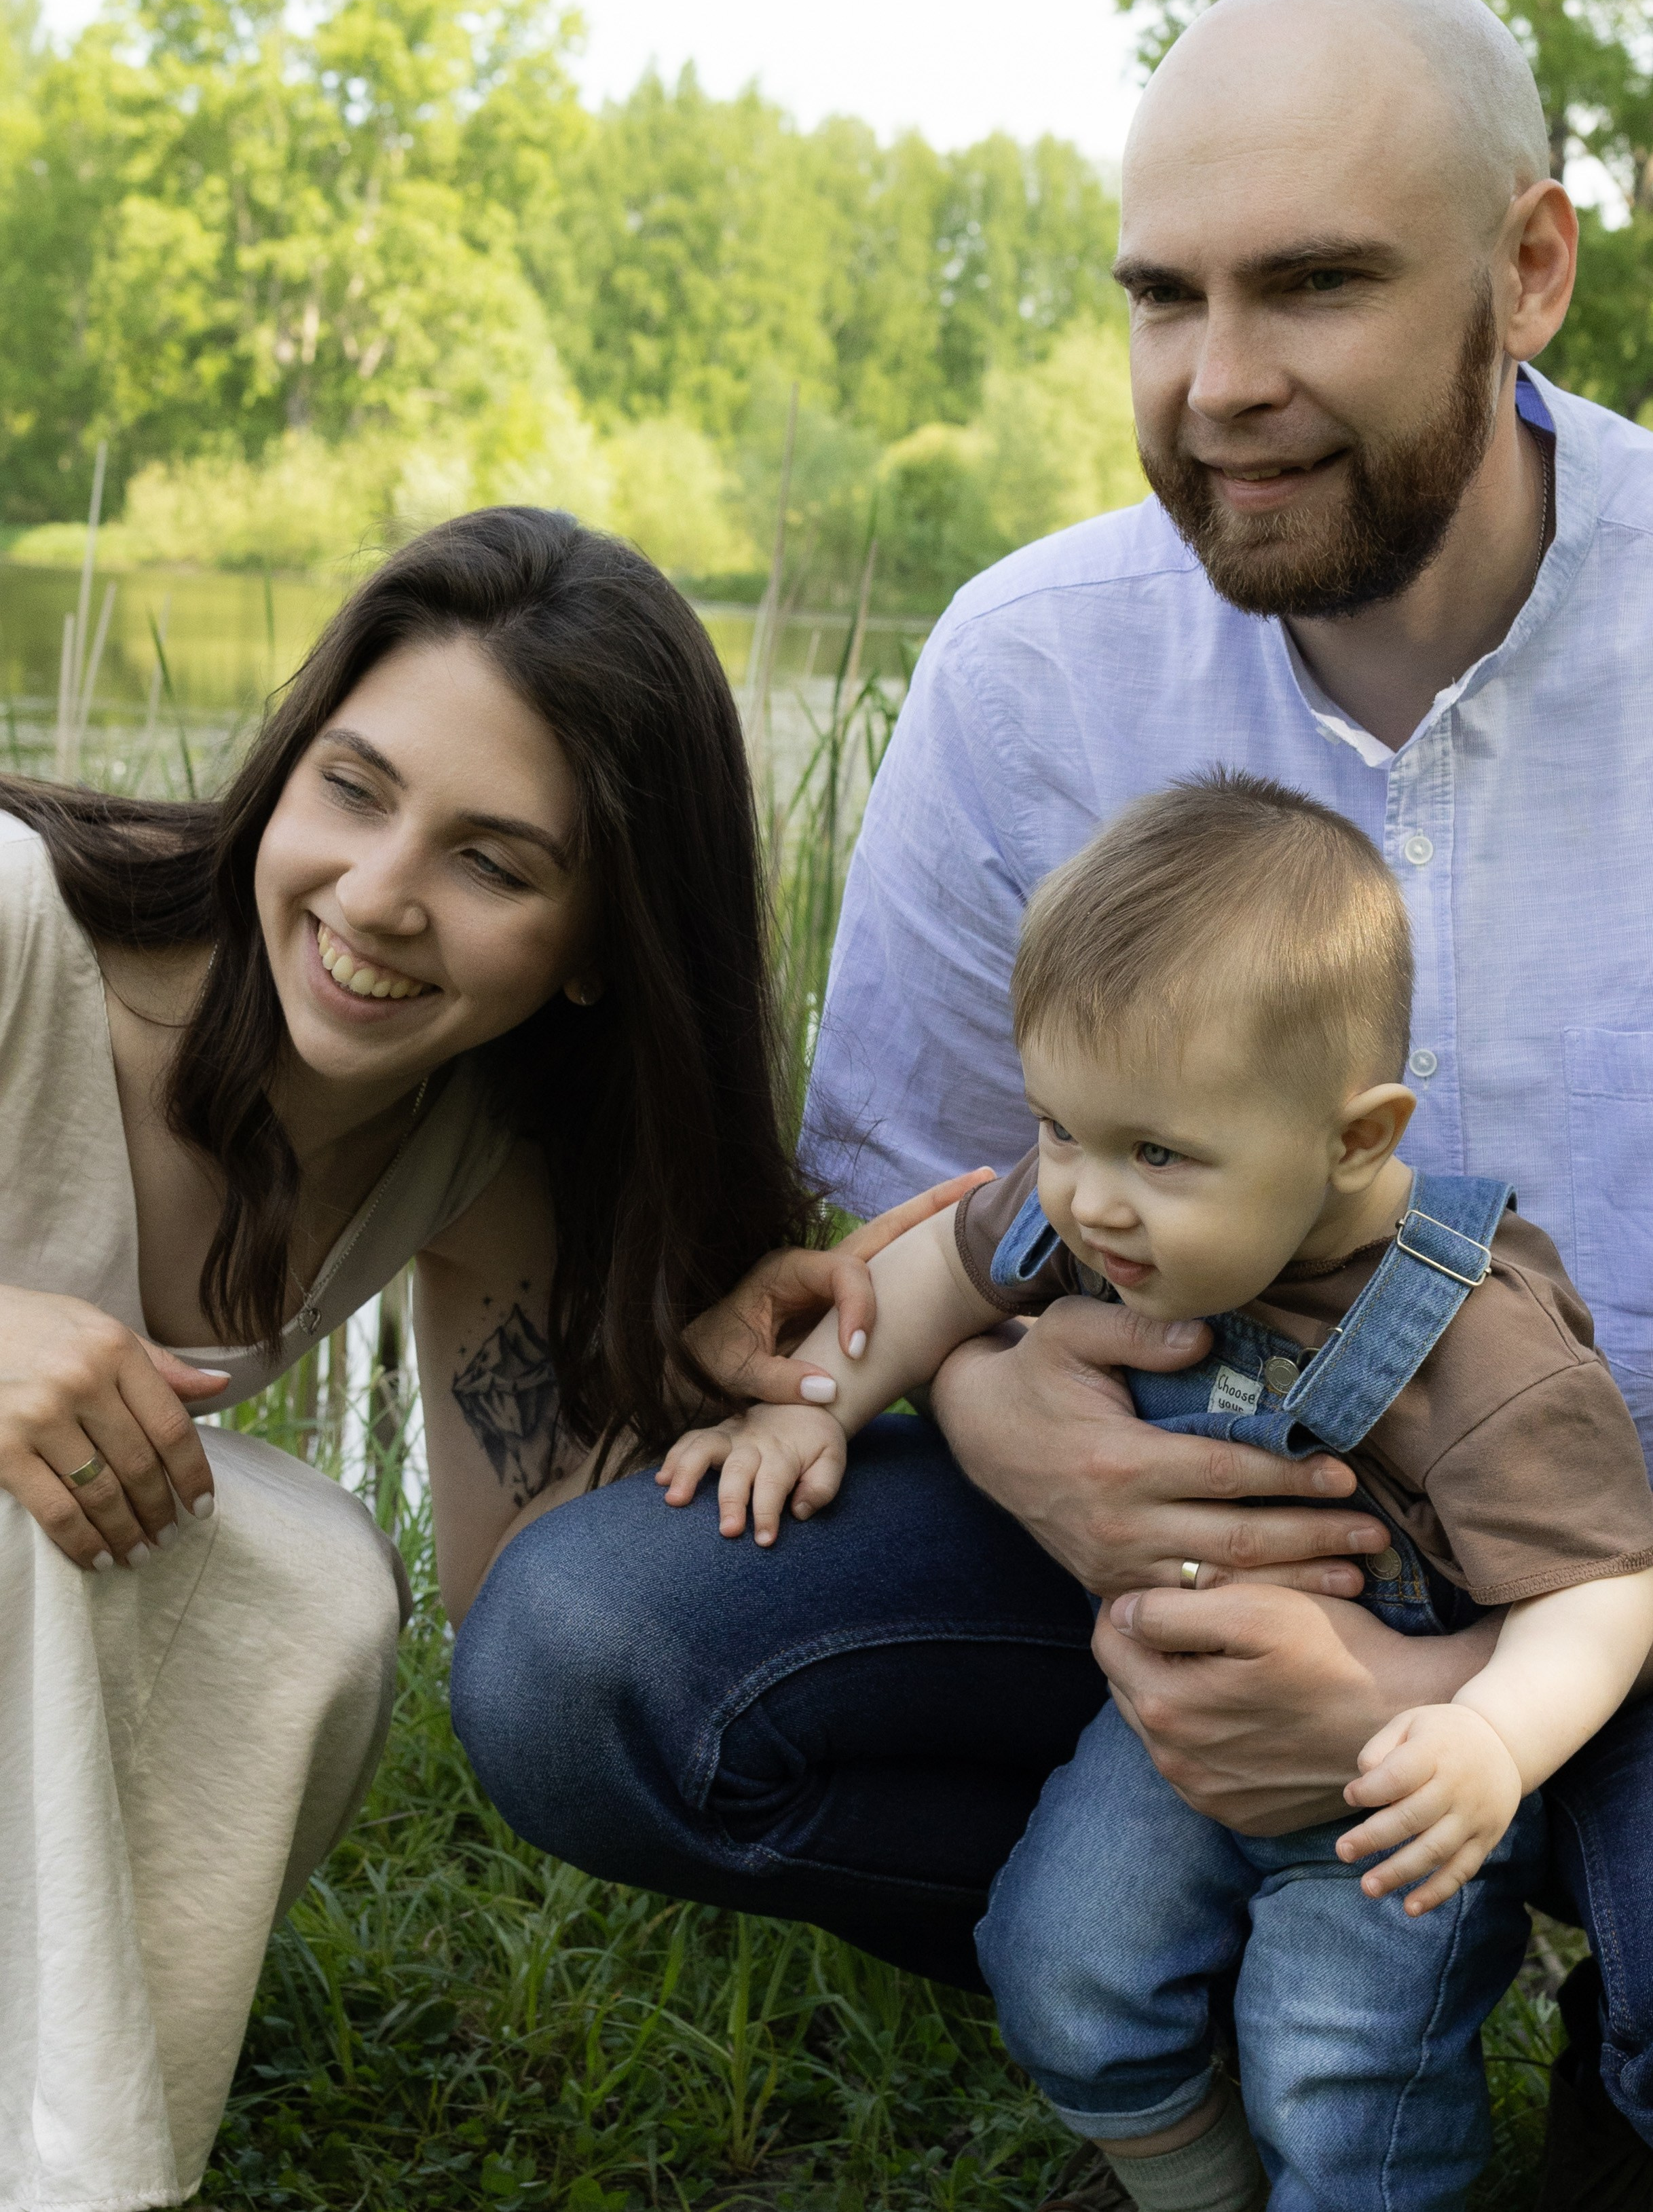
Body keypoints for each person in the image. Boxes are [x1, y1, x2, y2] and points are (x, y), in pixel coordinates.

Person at [451, 0, 1653, 2200]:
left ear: (1526, 269)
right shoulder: (1025, 667)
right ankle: (1154, 2013)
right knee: (588, 1647)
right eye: (1160, 297)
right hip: (1173, 1542)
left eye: (1310, 286)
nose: (1218, 387)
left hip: (1612, 1586)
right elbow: (911, 1217)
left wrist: (1436, 1702)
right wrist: (1015, 1436)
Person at [0, 506, 941, 2211]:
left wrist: (709, 1367)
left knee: (309, 1570)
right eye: (354, 789)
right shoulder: (15, 923)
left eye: (492, 863)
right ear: (287, 766)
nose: (376, 897)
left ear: (601, 948)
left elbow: (525, 1585)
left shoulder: (470, 1131)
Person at [656, 773, 1653, 2209]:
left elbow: (1605, 1582)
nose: (1085, 1196)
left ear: (1358, 1136)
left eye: (1156, 1155)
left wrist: (1485, 1739)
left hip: (1396, 1778)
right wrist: (816, 1407)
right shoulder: (1108, 1201)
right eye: (1058, 1125)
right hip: (1175, 1716)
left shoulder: (1479, 1339)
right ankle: (1194, 2184)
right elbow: (943, 1264)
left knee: (1342, 2068)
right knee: (1057, 1962)